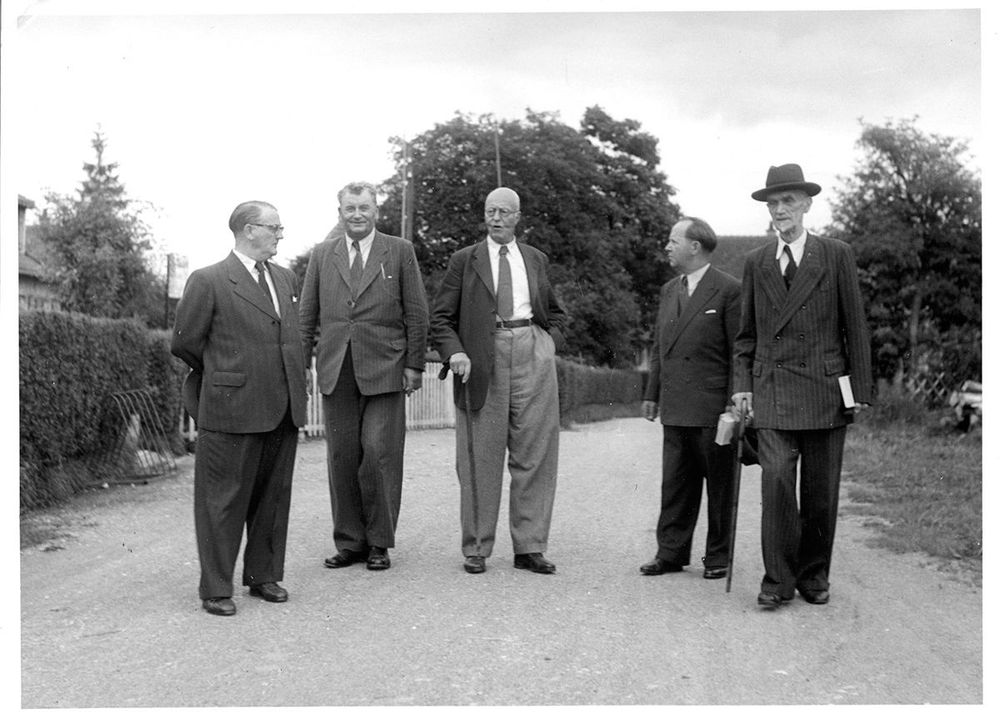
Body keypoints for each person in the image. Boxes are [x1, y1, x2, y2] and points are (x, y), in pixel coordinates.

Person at [732, 164, 873, 610]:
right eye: (773, 204)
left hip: (826, 390)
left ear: (807, 204)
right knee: (775, 483)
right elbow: (746, 336)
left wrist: (860, 390)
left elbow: (855, 325)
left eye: (788, 201)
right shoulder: (756, 263)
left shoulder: (835, 254)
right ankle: (777, 579)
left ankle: (814, 574)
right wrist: (742, 386)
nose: (779, 210)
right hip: (772, 389)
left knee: (820, 491)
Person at [171, 201, 308, 616]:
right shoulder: (209, 280)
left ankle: (263, 576)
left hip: (283, 408)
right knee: (221, 501)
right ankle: (215, 587)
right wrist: (224, 376)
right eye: (274, 227)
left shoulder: (285, 279)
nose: (280, 234)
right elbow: (185, 343)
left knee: (273, 497)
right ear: (249, 230)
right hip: (231, 409)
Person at [431, 187, 568, 575]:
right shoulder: (465, 260)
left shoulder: (535, 259)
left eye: (504, 212)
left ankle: (530, 547)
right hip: (480, 357)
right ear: (484, 215)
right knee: (479, 457)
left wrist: (548, 344)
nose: (496, 218)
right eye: (491, 211)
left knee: (535, 455)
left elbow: (555, 313)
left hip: (531, 352)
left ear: (518, 217)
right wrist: (455, 351)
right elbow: (441, 317)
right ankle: (476, 547)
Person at [299, 181, 429, 572]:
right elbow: (307, 315)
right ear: (339, 212)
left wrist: (414, 365)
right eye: (350, 208)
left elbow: (417, 312)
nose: (357, 215)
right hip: (337, 369)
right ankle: (350, 542)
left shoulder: (400, 251)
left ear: (376, 211)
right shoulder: (323, 255)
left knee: (379, 454)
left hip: (386, 369)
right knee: (342, 457)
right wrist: (303, 364)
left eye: (364, 208)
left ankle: (379, 543)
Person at [640, 217, 741, 580]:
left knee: (720, 485)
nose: (667, 247)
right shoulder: (669, 289)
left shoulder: (729, 289)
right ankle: (670, 553)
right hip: (675, 406)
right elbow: (659, 348)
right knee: (675, 484)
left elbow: (738, 351)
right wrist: (652, 394)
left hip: (714, 408)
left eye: (672, 241)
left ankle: (717, 557)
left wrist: (735, 402)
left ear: (694, 246)